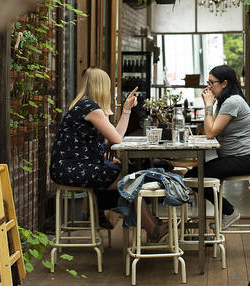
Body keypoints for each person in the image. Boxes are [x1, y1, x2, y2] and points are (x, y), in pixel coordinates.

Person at [50, 67, 166, 240]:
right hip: (70, 170)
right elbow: (117, 139)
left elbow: (112, 139)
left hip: (66, 168)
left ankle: (150, 225)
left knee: (128, 177)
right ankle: (151, 227)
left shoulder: (83, 105)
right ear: (102, 87)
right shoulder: (91, 108)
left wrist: (126, 110)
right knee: (129, 178)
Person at [185, 64, 250, 229]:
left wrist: (208, 106)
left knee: (195, 177)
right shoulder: (226, 101)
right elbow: (211, 129)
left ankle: (229, 211)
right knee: (194, 175)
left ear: (224, 83)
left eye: (212, 83)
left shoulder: (232, 101)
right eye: (208, 82)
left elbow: (210, 132)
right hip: (236, 157)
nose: (208, 86)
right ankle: (224, 212)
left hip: (245, 159)